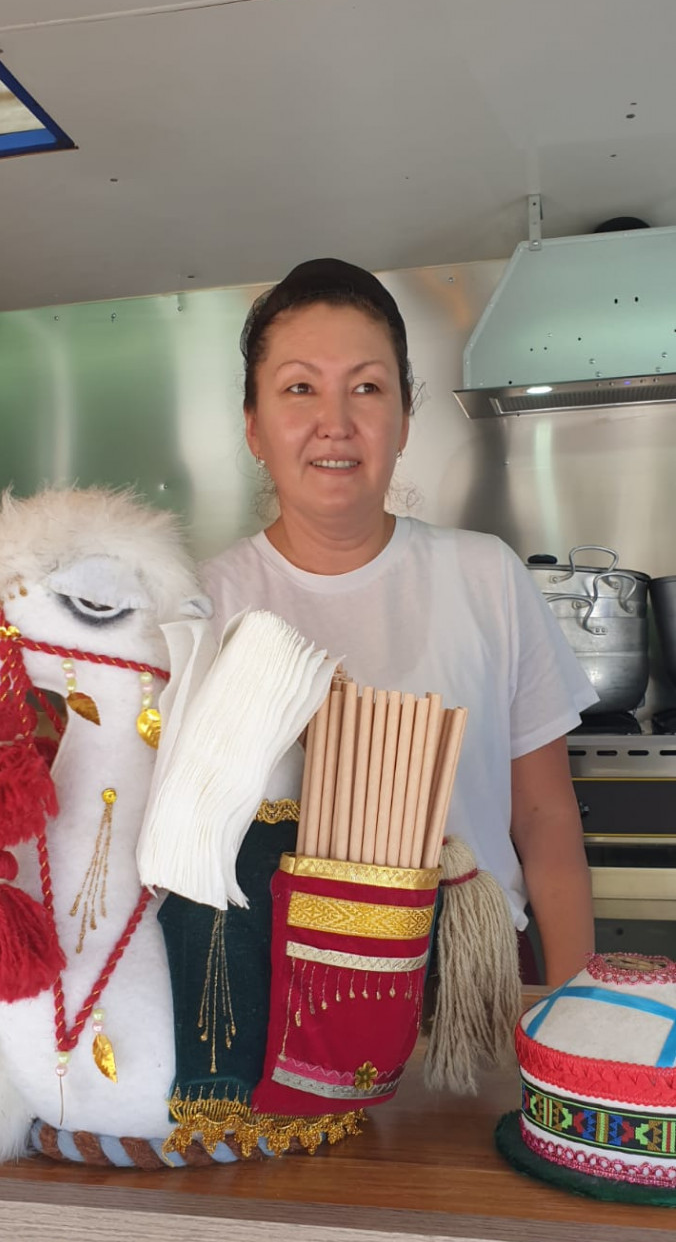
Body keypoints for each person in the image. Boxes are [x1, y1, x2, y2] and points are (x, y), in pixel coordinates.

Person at [200, 258, 596, 987]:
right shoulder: (204, 606)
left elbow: (544, 814)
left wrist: (574, 1005)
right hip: (278, 989)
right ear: (254, 427)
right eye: (300, 388)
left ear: (405, 420)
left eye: (367, 387)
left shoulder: (487, 575)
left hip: (476, 976)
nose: (335, 423)